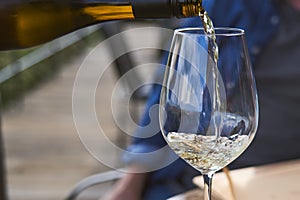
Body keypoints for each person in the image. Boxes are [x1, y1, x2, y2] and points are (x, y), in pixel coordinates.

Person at [104, 0, 300, 199]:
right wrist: (131, 181)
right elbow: (170, 95)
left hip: (285, 181)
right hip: (190, 180)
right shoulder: (228, 4)